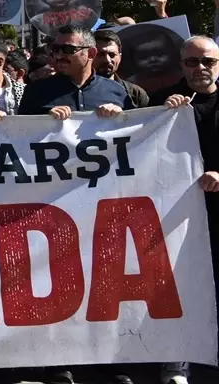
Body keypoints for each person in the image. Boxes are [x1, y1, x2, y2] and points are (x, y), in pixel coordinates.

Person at [150, 35, 219, 384]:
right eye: (192, 62)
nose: (200, 68)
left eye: (207, 61)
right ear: (181, 65)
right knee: (176, 286)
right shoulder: (164, 101)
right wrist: (163, 114)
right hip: (174, 214)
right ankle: (176, 363)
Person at [16, 27, 127, 118]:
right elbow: (20, 134)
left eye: (68, 49)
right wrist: (45, 120)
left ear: (91, 53)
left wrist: (121, 116)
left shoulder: (117, 91)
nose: (59, 55)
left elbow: (134, 132)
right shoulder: (35, 91)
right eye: (55, 49)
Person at [92, 30, 149, 108]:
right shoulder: (74, 91)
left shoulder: (135, 94)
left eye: (112, 55)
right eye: (100, 54)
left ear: (120, 57)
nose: (107, 60)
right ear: (89, 55)